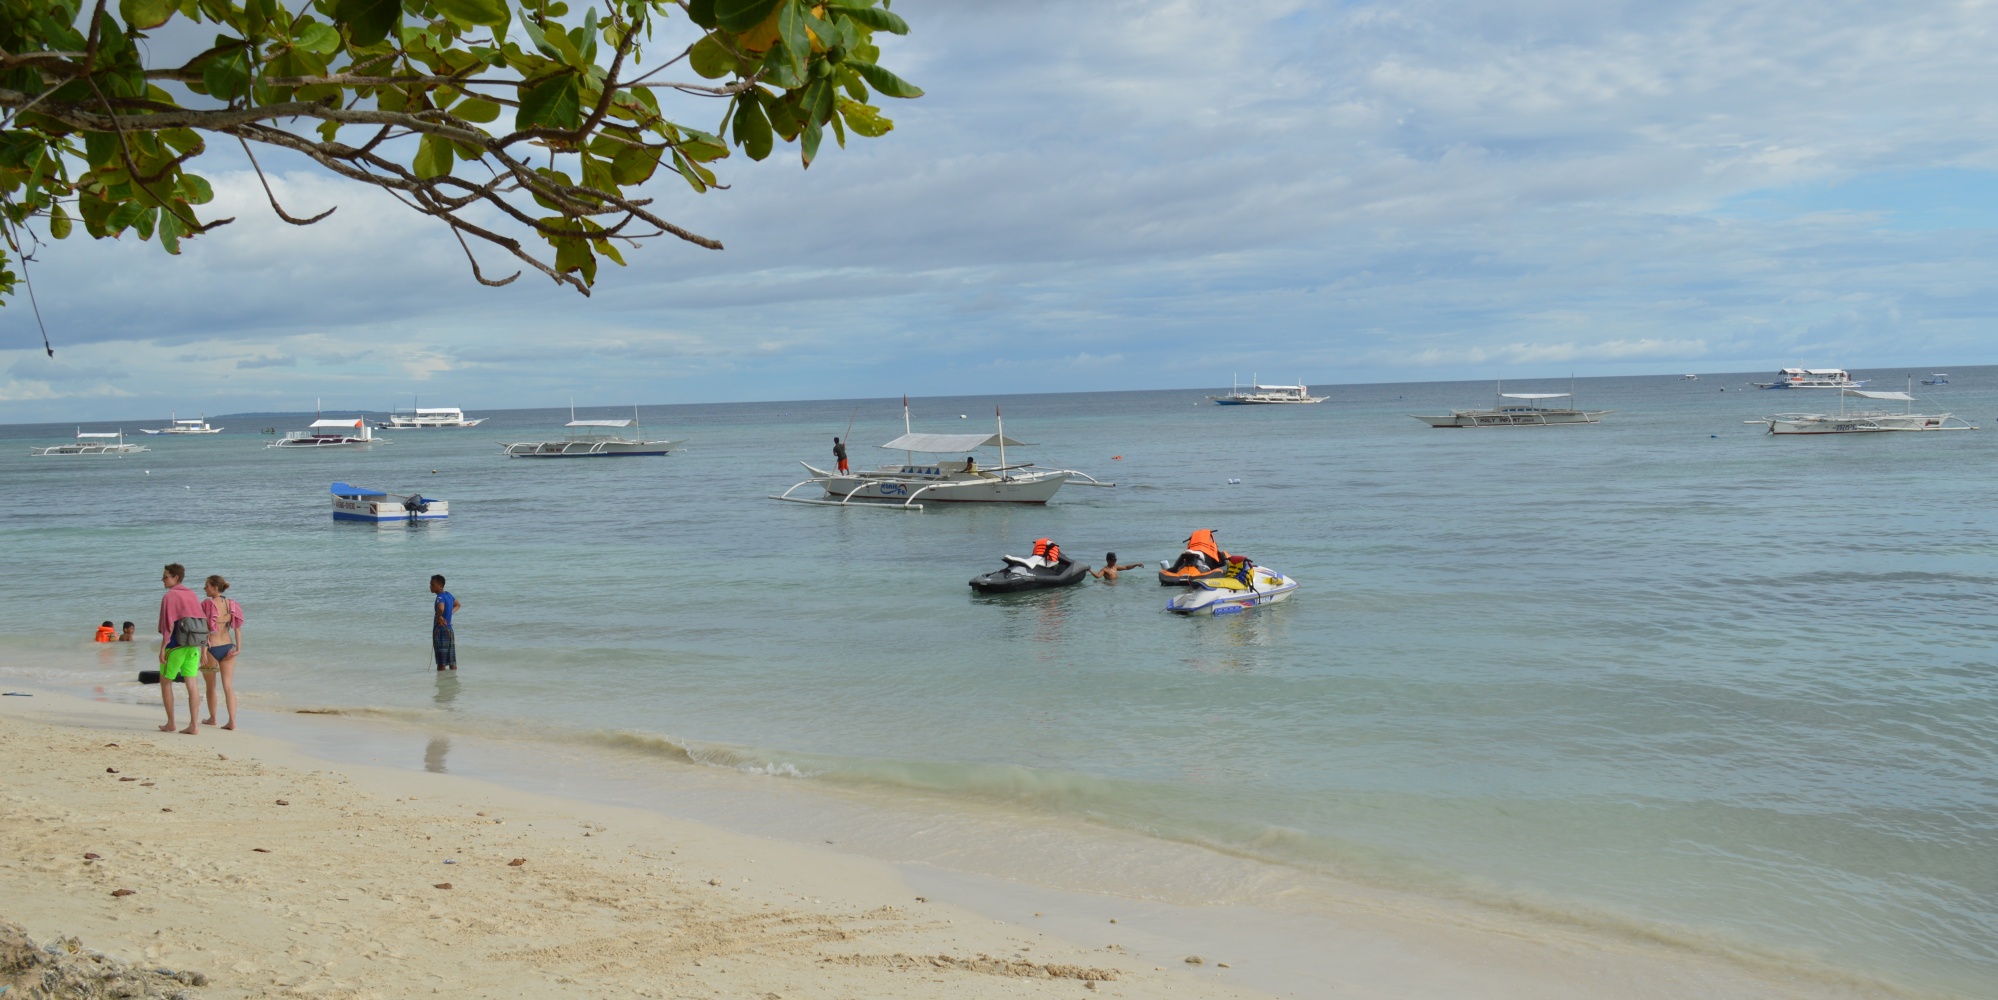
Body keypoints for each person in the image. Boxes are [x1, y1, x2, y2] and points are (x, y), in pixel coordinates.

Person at [155, 563, 204, 735]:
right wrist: (204, 648)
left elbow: (167, 626)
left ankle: (171, 723)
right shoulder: (192, 594)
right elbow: (201, 621)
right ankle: (194, 725)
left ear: (175, 577)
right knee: (192, 685)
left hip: (175, 647)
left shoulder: (170, 596)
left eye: (165, 576)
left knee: (165, 683)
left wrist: (162, 648)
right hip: (193, 647)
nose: (162, 579)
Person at [200, 575, 244, 730]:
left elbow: (205, 631)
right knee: (228, 686)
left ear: (215, 587)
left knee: (210, 687)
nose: (204, 588)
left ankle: (213, 718)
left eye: (207, 586)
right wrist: (238, 649)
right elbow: (237, 629)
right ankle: (232, 721)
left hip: (211, 649)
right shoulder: (232, 604)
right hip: (228, 647)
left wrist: (203, 652)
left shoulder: (207, 604)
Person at [430, 574, 460, 671]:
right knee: (452, 661)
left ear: (440, 585)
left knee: (441, 662)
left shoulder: (440, 597)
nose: (430, 586)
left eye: (432, 584)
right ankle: (452, 678)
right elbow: (458, 605)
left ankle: (442, 680)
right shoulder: (448, 595)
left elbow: (441, 608)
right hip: (449, 630)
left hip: (440, 631)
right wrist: (449, 614)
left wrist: (438, 617)